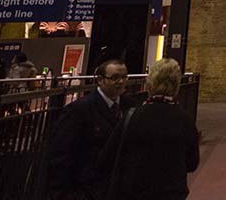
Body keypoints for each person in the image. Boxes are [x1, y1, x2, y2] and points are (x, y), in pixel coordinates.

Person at [100, 58, 199, 199]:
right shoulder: (185, 120)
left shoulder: (132, 116)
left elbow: (108, 156)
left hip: (135, 192)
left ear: (150, 83)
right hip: (171, 193)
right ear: (177, 85)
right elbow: (192, 163)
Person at [47, 59, 131, 200]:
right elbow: (61, 154)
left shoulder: (128, 106)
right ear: (100, 80)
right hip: (86, 189)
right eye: (115, 78)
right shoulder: (79, 110)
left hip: (115, 188)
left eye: (124, 77)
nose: (121, 82)